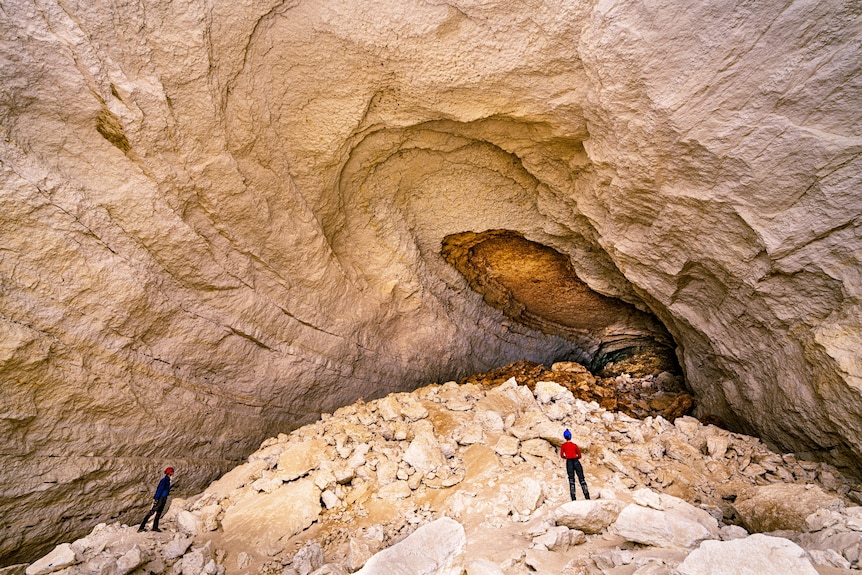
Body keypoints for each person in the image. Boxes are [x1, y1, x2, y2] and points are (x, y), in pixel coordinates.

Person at [139, 467, 173, 532]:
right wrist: (156, 498)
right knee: (152, 511)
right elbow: (159, 489)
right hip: (160, 498)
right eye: (172, 472)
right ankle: (141, 527)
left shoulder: (167, 480)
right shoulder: (164, 480)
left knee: (159, 512)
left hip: (163, 498)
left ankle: (155, 527)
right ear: (170, 472)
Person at [560, 429, 590, 501]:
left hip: (569, 462)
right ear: (571, 436)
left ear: (565, 437)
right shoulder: (574, 445)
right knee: (582, 479)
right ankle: (587, 496)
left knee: (571, 480)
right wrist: (575, 457)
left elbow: (561, 455)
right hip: (576, 461)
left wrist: (567, 457)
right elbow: (579, 455)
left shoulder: (563, 446)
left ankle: (573, 498)